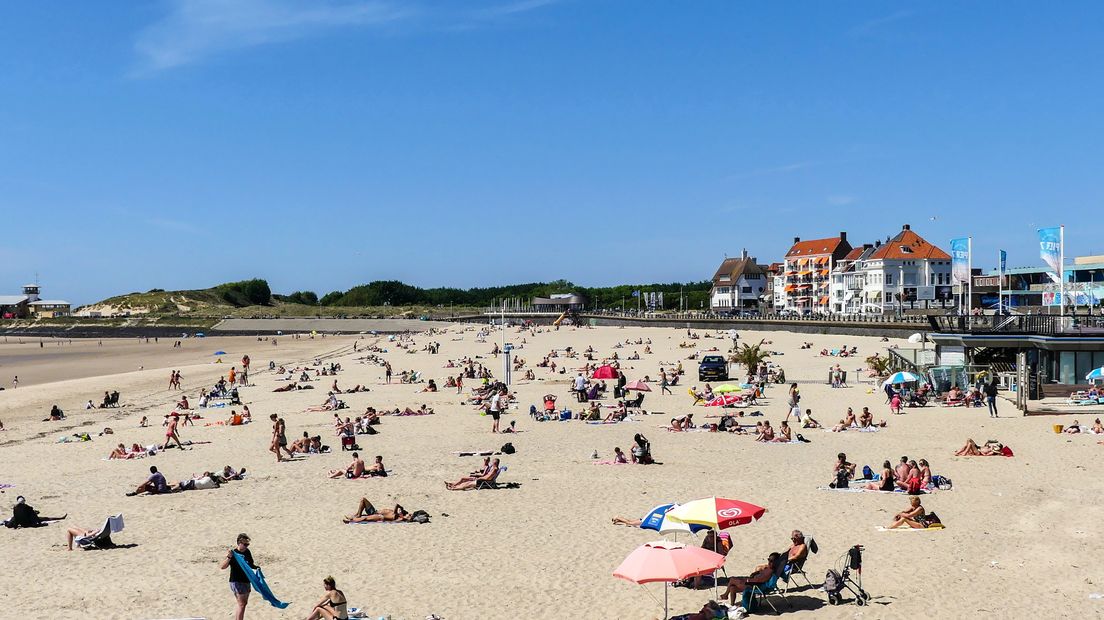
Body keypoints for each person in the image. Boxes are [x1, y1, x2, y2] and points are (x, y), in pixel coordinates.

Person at [219, 533, 256, 620]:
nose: (247, 546)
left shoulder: (247, 552)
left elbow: (251, 564)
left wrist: (257, 569)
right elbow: (222, 567)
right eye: (245, 544)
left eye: (248, 544)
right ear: (239, 543)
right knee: (242, 604)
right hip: (236, 581)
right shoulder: (233, 553)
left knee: (244, 603)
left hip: (246, 581)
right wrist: (229, 557)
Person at [342, 498, 411, 523]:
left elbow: (396, 505)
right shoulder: (394, 512)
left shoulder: (396, 515)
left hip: (377, 515)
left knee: (364, 518)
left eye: (400, 511)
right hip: (374, 511)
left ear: (401, 514)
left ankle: (351, 520)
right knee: (363, 500)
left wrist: (401, 507)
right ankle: (357, 515)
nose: (399, 511)